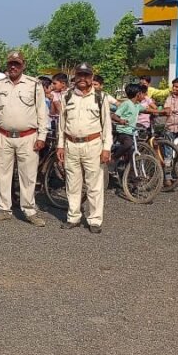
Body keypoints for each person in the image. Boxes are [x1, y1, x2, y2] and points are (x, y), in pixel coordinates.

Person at [0, 51, 48, 225]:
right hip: (2, 135)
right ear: (7, 65)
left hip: (28, 137)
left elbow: (42, 112)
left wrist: (42, 136)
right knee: (2, 174)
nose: (13, 67)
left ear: (23, 65)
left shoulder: (34, 85)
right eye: (11, 64)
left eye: (17, 64)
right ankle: (4, 209)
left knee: (28, 176)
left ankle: (29, 211)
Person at [57, 63, 113, 234]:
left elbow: (107, 125)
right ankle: (73, 217)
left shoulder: (100, 97)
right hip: (71, 145)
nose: (82, 78)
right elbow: (61, 124)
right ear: (75, 77)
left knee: (94, 185)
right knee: (72, 184)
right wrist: (60, 145)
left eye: (86, 75)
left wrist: (106, 148)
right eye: (79, 75)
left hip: (93, 145)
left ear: (92, 77)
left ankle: (95, 220)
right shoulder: (67, 96)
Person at [110, 84, 143, 161]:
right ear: (138, 94)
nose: (143, 96)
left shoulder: (137, 105)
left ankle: (128, 166)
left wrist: (161, 112)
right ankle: (113, 158)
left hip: (131, 132)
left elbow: (147, 110)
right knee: (128, 144)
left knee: (131, 152)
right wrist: (120, 120)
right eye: (142, 93)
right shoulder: (126, 104)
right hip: (123, 131)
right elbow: (114, 116)